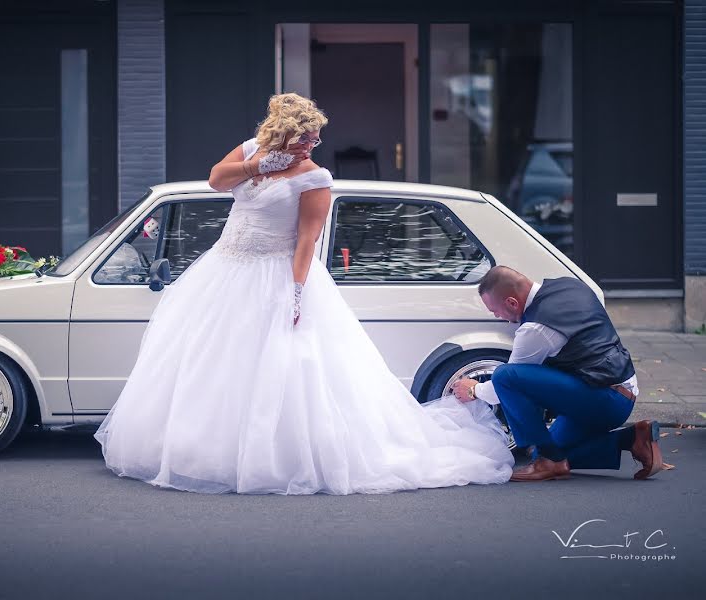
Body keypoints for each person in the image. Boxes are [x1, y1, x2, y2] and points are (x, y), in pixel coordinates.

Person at [93, 93, 514, 494]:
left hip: (276, 272)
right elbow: (216, 180)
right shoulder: (251, 149)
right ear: (283, 133)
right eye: (307, 136)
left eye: (316, 137)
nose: (315, 143)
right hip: (224, 270)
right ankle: (202, 450)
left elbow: (307, 241)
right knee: (212, 360)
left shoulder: (315, 176)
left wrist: (295, 294)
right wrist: (257, 165)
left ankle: (274, 457)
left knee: (281, 365)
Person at [451, 265, 663, 482]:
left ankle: (550, 462)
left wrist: (474, 389)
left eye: (495, 311)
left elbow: (505, 387)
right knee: (545, 450)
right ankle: (632, 439)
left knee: (505, 376)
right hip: (618, 389)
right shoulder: (569, 285)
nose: (497, 316)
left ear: (512, 302)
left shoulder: (535, 329)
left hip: (605, 400)